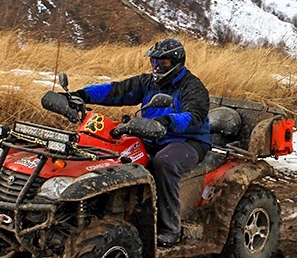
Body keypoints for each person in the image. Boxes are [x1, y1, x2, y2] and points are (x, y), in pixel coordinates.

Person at [71, 38, 210, 247]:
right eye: (154, 62)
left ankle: (170, 228)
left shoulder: (193, 87)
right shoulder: (147, 82)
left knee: (164, 163)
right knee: (113, 152)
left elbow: (194, 116)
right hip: (150, 135)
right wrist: (80, 95)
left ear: (176, 62)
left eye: (162, 63)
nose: (156, 67)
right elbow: (115, 90)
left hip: (188, 140)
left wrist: (166, 122)